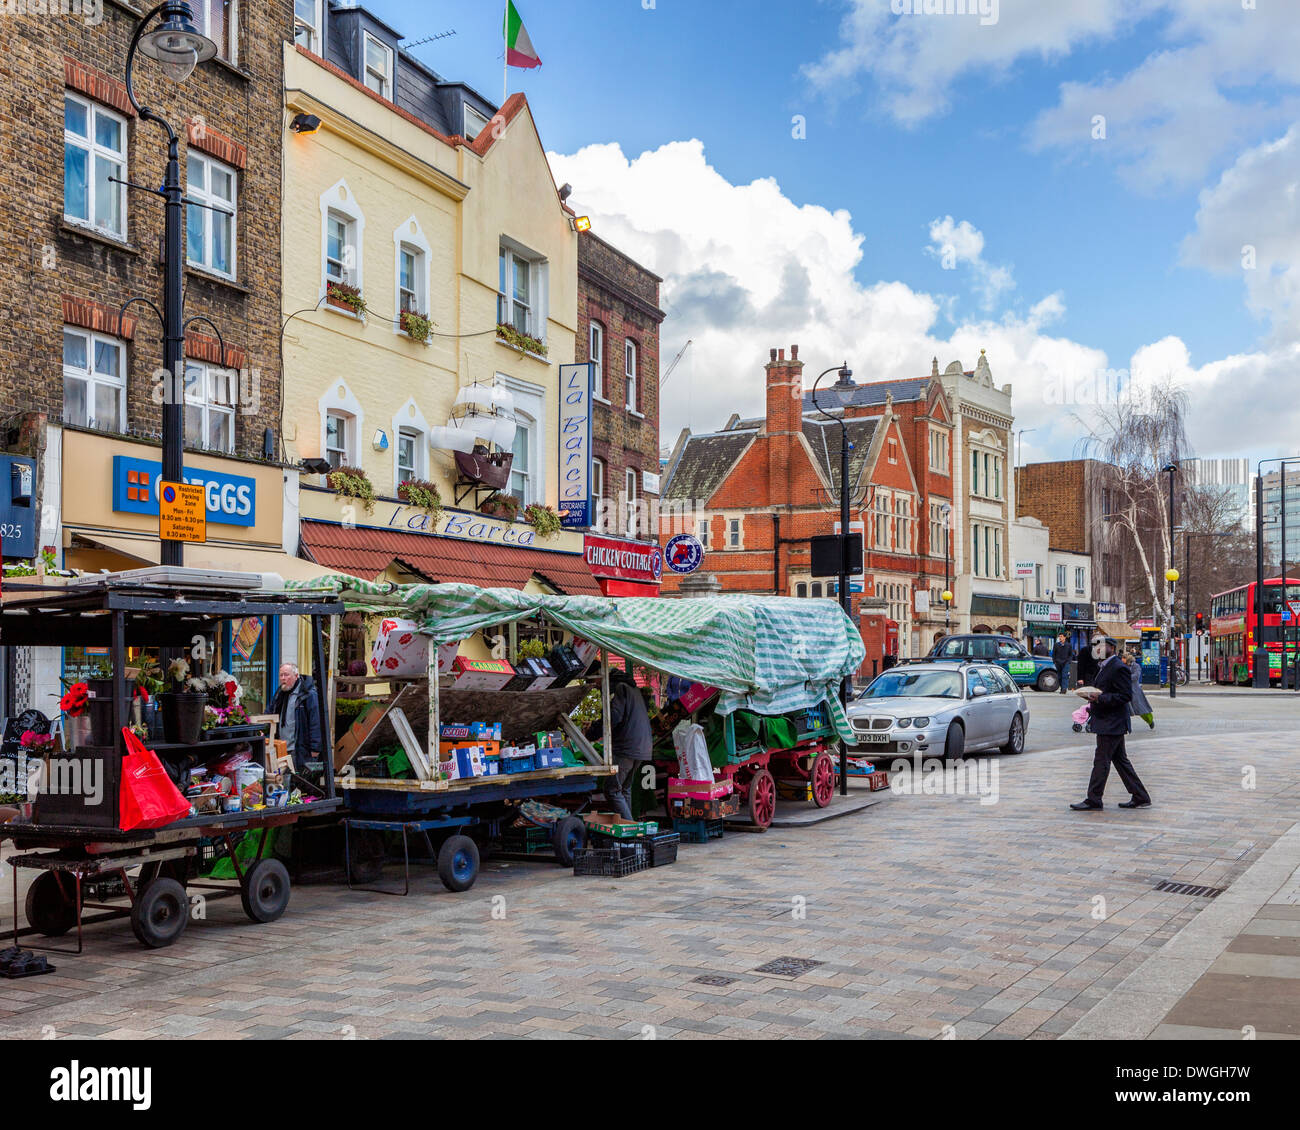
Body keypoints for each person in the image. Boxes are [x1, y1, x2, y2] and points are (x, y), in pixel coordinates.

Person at [1071, 637, 1152, 811]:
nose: (1098, 649)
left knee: (1101, 761)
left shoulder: (1118, 667)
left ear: (1112, 648)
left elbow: (1125, 696)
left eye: (1102, 646)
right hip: (1107, 720)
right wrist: (1091, 701)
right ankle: (1140, 796)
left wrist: (1100, 698)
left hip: (1112, 723)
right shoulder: (1103, 667)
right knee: (1120, 761)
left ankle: (1094, 799)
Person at [591, 668, 652, 820]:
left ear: (599, 676)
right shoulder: (631, 687)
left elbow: (614, 716)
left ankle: (629, 828)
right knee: (624, 789)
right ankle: (629, 829)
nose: (593, 686)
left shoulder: (618, 688)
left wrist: (593, 731)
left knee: (612, 789)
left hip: (627, 747)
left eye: (592, 681)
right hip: (642, 746)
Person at [269, 662, 323, 773]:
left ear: (296, 676)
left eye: (286, 675)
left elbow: (315, 722)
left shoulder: (308, 694)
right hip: (280, 748)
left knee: (299, 783)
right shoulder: (280, 693)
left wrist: (315, 748)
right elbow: (269, 713)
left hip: (299, 749)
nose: (283, 678)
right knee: (283, 782)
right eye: (281, 675)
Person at [1124, 649, 1155, 729]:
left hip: (1135, 690)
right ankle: (1125, 725)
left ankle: (1150, 721)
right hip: (1125, 689)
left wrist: (1124, 678)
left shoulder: (1136, 666)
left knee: (1142, 709)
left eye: (1123, 658)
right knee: (1125, 709)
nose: (1122, 660)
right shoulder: (1123, 666)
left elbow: (1136, 676)